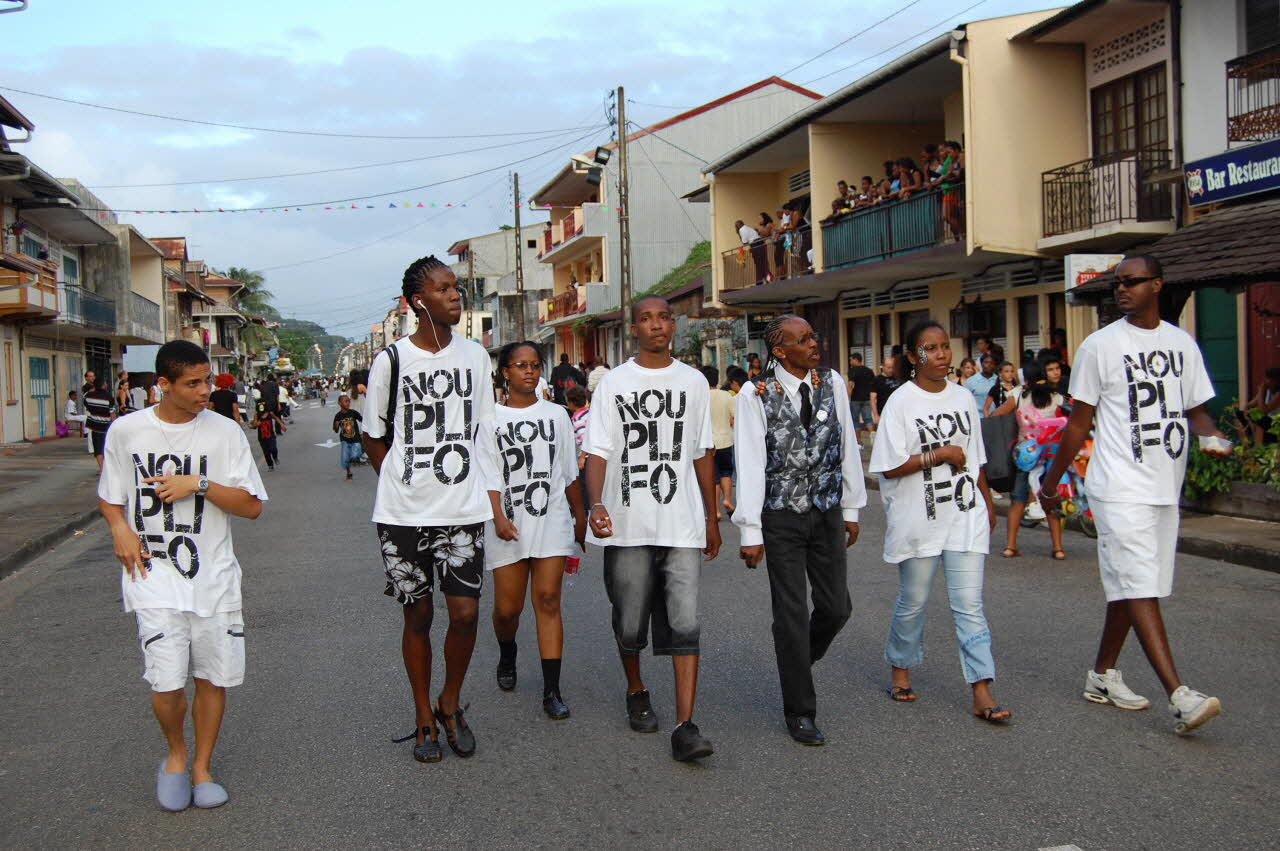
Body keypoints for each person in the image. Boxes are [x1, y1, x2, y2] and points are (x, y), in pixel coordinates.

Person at [1039, 254, 1231, 736]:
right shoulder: (1100, 346)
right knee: (1140, 583)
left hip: (1164, 484)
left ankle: (1102, 675)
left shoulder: (1181, 343)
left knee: (1134, 582)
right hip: (1118, 486)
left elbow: (1195, 410)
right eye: (1117, 284)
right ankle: (1180, 695)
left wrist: (1212, 435)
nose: (1121, 290)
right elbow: (1078, 423)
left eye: (1132, 282)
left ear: (1157, 285)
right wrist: (1050, 481)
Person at [97, 339, 266, 811]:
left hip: (213, 576)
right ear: (163, 385)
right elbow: (110, 496)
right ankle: (175, 753)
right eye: (193, 383)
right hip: (153, 574)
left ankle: (201, 767)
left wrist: (200, 484)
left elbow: (251, 507)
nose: (204, 391)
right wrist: (119, 529)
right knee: (166, 682)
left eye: (207, 380)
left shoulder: (225, 432)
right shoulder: (127, 431)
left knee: (212, 677)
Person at [361, 255, 500, 763]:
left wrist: (492, 499)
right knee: (417, 613)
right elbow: (373, 434)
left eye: (455, 287)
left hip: (462, 509)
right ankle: (423, 714)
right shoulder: (392, 361)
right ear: (418, 301)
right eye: (442, 289)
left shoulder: (475, 357)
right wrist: (401, 481)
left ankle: (450, 701)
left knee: (465, 612)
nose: (454, 295)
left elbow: (485, 432)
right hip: (403, 515)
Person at [583, 295, 721, 762]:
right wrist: (596, 503)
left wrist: (711, 516)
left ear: (673, 326)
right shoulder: (614, 384)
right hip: (628, 525)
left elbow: (702, 451)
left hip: (681, 524)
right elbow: (597, 450)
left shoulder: (694, 382)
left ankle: (685, 725)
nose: (657, 325)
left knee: (686, 622)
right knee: (629, 623)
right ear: (634, 329)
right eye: (646, 319)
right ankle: (636, 688)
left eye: (664, 317)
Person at [733, 316, 866, 745]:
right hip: (781, 517)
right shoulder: (755, 394)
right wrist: (750, 531)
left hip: (826, 511)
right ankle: (801, 711)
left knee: (836, 608)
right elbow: (750, 462)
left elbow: (846, 445)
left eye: (813, 336)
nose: (814, 344)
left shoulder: (831, 381)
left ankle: (796, 662)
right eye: (803, 339)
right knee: (790, 614)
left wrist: (851, 507)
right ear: (779, 351)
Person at [869, 320, 1008, 723]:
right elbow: (889, 466)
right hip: (919, 519)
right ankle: (901, 667)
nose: (942, 354)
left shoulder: (963, 397)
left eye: (945, 346)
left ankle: (982, 689)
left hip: (964, 515)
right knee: (914, 601)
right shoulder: (901, 402)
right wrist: (939, 454)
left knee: (969, 605)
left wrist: (986, 502)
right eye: (930, 348)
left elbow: (976, 457)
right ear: (913, 357)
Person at [483, 342, 587, 719]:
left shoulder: (557, 415)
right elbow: (488, 474)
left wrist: (580, 516)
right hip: (507, 523)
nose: (529, 371)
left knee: (547, 599)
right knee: (507, 609)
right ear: (505, 373)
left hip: (551, 520)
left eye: (534, 365)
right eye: (520, 365)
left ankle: (551, 691)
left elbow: (568, 471)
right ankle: (507, 652)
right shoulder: (489, 419)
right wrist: (497, 517)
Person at [992, 361, 1067, 560]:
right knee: (1050, 499)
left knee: (1017, 500)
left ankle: (1010, 546)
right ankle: (1058, 548)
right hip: (1050, 456)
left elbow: (996, 415)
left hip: (1025, 456)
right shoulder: (1057, 397)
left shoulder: (1018, 396)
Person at [704, 365, 736, 518]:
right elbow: (734, 417)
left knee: (713, 477)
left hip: (710, 443)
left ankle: (716, 511)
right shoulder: (727, 396)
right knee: (726, 473)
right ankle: (727, 500)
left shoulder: (702, 397)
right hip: (726, 441)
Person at [1236, 366, 1280, 445]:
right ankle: (1245, 445)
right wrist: (1246, 412)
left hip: (1276, 425)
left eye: (1269, 379)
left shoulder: (1278, 394)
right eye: (1266, 378)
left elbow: (1264, 410)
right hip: (1266, 421)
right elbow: (1249, 405)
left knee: (1261, 420)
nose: (1266, 381)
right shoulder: (1267, 390)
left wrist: (1261, 392)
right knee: (1239, 414)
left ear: (1276, 381)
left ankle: (1257, 448)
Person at [85, 377, 116, 472]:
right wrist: (114, 425)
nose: (106, 384)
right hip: (107, 426)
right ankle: (107, 468)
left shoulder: (88, 396)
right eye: (105, 383)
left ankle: (101, 468)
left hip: (94, 426)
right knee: (107, 447)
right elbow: (112, 413)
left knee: (97, 448)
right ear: (103, 385)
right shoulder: (108, 396)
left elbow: (88, 407)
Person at [332, 394, 363, 480]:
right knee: (345, 458)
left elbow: (362, 419)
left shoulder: (353, 412)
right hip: (344, 440)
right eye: (345, 401)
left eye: (348, 401)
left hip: (355, 438)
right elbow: (335, 430)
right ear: (339, 403)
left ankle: (353, 459)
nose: (348, 403)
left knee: (355, 455)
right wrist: (336, 425)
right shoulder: (338, 416)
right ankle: (348, 472)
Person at [249, 402, 286, 472]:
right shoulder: (256, 415)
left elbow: (276, 418)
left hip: (271, 435)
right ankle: (270, 465)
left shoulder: (270, 413)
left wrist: (282, 425)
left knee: (273, 448)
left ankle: (275, 457)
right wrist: (255, 424)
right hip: (262, 437)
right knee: (266, 452)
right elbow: (254, 426)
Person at [846, 352, 875, 439]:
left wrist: (848, 398)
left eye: (851, 360)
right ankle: (873, 436)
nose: (850, 362)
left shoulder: (852, 370)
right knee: (868, 418)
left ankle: (859, 441)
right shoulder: (869, 371)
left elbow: (850, 385)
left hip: (855, 399)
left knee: (855, 420)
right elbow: (873, 385)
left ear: (856, 360)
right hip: (867, 398)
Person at [870, 355, 899, 428]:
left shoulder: (898, 378)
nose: (891, 370)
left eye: (892, 367)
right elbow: (873, 399)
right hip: (883, 413)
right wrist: (876, 415)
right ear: (883, 367)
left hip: (897, 412)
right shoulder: (877, 380)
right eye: (888, 368)